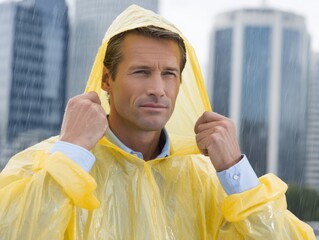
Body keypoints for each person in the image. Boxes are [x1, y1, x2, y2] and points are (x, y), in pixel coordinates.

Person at [0, 5, 315, 239]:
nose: (157, 88)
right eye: (141, 72)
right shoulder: (45, 164)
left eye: (169, 74)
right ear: (107, 80)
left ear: (181, 83)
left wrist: (235, 170)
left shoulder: (209, 180)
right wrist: (71, 153)